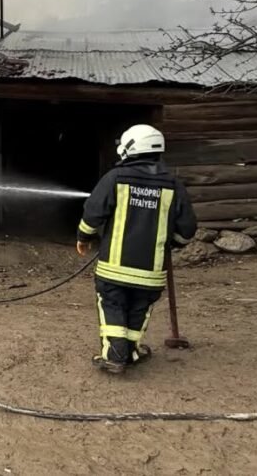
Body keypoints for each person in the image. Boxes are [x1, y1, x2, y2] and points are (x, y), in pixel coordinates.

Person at [76, 124, 197, 374]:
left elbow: (93, 213)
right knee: (139, 309)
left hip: (114, 268)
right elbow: (187, 230)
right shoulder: (173, 185)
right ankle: (130, 351)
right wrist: (170, 243)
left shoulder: (115, 178)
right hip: (151, 272)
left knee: (112, 305)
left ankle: (114, 355)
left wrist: (83, 237)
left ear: (130, 147)